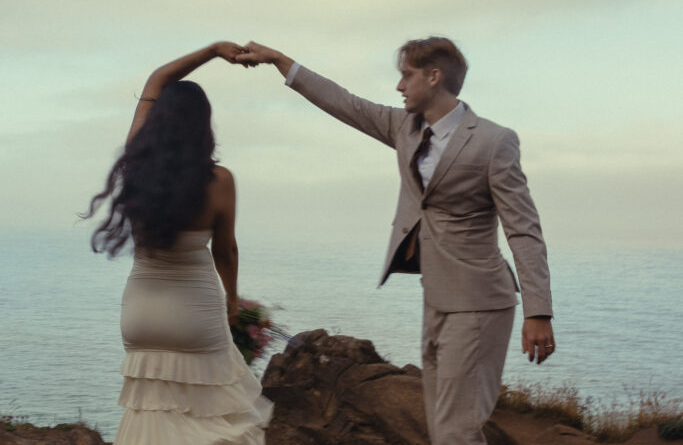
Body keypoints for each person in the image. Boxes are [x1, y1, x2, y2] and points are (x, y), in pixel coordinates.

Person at [236, 36, 555, 445]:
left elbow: (523, 227)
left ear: (434, 76)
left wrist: (538, 312)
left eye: (406, 76)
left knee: (457, 431)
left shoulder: (493, 142)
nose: (399, 86)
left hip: (479, 302)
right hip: (436, 297)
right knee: (443, 428)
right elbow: (345, 103)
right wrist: (281, 61)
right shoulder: (405, 129)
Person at [84, 42, 272, 445]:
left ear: (158, 123)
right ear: (204, 125)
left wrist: (212, 50)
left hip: (141, 315)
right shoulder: (219, 182)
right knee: (212, 421)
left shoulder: (136, 164)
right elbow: (225, 251)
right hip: (194, 315)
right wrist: (234, 301)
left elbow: (157, 79)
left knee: (152, 416)